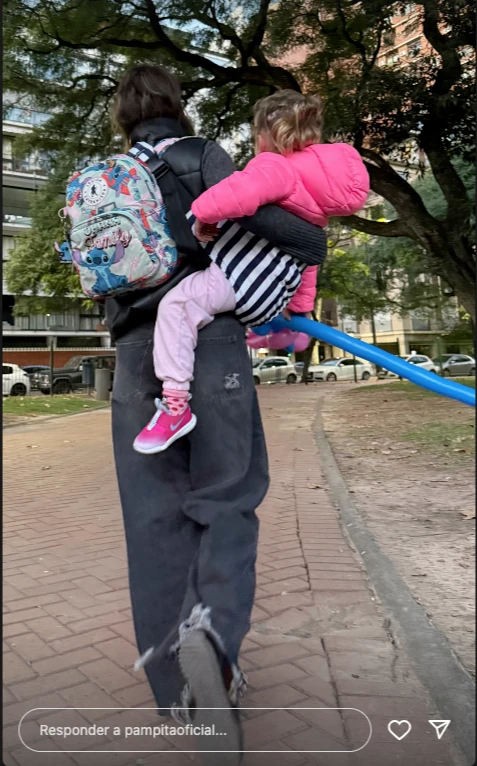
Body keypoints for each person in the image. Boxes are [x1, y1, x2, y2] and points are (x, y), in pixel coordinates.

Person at [106, 64, 327, 765]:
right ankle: (212, 639)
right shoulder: (202, 155)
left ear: (123, 116)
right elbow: (291, 234)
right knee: (227, 497)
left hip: (133, 357)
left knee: (152, 520)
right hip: (212, 346)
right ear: (178, 105)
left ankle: (176, 688)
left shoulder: (107, 178)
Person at [133, 89, 369, 455]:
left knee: (177, 307)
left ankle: (175, 405)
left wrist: (203, 216)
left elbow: (234, 193)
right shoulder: (317, 201)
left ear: (266, 135)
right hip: (274, 290)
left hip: (240, 278)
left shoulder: (275, 166)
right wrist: (299, 308)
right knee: (228, 304)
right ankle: (277, 334)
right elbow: (309, 261)